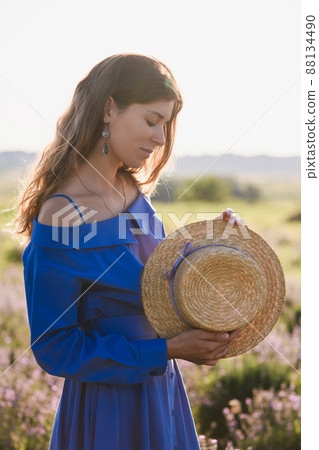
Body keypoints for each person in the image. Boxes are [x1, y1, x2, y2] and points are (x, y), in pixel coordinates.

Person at [15, 53, 242, 450]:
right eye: (151, 120)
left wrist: (216, 241)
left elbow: (160, 275)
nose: (159, 137)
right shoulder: (61, 215)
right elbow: (55, 347)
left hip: (163, 395)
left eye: (166, 124)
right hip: (108, 408)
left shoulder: (133, 192)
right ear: (109, 110)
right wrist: (167, 349)